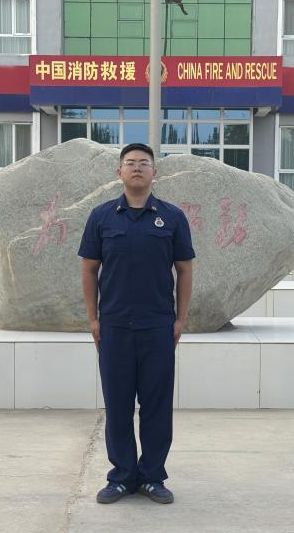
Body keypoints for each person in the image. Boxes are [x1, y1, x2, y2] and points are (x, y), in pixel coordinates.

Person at [78, 143, 195, 505]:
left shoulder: (172, 217)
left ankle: (152, 476)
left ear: (154, 172)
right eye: (130, 163)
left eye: (144, 163)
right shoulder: (101, 217)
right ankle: (122, 477)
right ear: (120, 172)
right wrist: (93, 318)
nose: (137, 168)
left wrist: (180, 319)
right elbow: (89, 269)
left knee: (156, 405)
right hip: (114, 327)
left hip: (158, 327)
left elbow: (185, 269)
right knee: (118, 405)